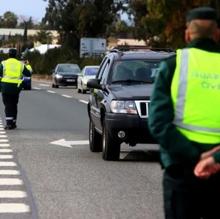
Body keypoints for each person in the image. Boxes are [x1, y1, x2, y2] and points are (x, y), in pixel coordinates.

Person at [148, 6, 220, 219]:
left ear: (187, 34)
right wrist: (214, 157)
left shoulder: (172, 66)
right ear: (218, 34)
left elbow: (158, 123)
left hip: (181, 170)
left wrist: (195, 156)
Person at [0, 48, 31, 130]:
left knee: (8, 105)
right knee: (14, 104)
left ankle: (9, 124)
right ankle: (13, 123)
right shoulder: (20, 64)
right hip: (16, 87)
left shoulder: (3, 63)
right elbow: (28, 74)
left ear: (8, 55)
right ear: (16, 55)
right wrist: (27, 65)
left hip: (6, 87)